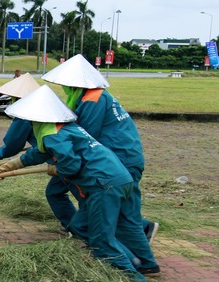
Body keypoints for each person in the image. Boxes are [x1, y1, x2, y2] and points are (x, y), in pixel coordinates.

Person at [0, 85, 158, 282]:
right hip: (118, 178)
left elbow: (71, 164)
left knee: (101, 240)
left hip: (104, 184)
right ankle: (131, 259)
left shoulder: (52, 134)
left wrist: (57, 169)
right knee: (80, 225)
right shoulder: (60, 127)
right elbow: (39, 153)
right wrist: (9, 167)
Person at [42, 54, 159, 252]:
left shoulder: (93, 99)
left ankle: (117, 246)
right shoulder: (87, 97)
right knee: (116, 206)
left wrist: (58, 157)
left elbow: (85, 136)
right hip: (113, 159)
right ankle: (115, 237)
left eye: (65, 83)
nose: (63, 87)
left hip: (118, 160)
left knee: (115, 206)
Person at [0, 73, 41, 161]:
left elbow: (13, 143)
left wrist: (0, 153)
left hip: (59, 154)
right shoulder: (42, 105)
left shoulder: (25, 113)